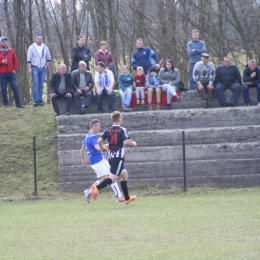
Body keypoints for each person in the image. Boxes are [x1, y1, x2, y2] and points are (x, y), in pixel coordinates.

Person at [84, 111, 137, 205]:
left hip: (111, 157)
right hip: (118, 158)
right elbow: (128, 142)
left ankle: (127, 198)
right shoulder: (122, 130)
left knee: (124, 175)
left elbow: (99, 140)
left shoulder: (107, 130)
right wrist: (134, 144)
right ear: (119, 119)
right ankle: (96, 188)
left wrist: (103, 148)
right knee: (112, 179)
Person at [82, 119, 125, 203]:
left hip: (100, 160)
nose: (99, 128)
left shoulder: (87, 136)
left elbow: (82, 149)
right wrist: (109, 145)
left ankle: (119, 196)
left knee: (112, 176)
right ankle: (89, 190)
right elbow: (98, 148)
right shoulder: (92, 137)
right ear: (93, 126)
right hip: (97, 161)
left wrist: (83, 159)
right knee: (104, 178)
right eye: (98, 126)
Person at [0, 36, 24, 108]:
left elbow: (15, 60)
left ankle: (18, 104)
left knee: (15, 87)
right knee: (3, 89)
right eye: (3, 42)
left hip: (11, 73)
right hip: (2, 74)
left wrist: (15, 69)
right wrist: (2, 62)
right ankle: (6, 104)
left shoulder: (11, 51)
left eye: (5, 41)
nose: (4, 43)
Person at [27, 33, 51, 106]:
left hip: (43, 68)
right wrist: (29, 68)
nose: (39, 40)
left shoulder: (45, 48)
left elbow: (49, 58)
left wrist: (46, 66)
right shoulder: (32, 47)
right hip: (35, 68)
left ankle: (40, 100)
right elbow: (29, 59)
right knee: (36, 84)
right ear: (35, 39)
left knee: (41, 84)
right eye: (38, 38)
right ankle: (36, 100)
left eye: (41, 39)